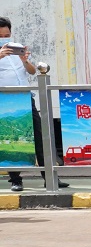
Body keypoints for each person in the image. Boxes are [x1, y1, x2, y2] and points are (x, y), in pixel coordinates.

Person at [0, 17, 68, 191]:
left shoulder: (17, 48)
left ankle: (50, 178)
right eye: (1, 36)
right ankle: (16, 180)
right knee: (10, 139)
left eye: (7, 35)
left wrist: (24, 60)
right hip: (5, 100)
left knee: (39, 136)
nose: (4, 39)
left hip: (25, 97)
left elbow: (31, 72)